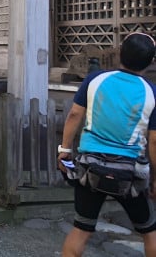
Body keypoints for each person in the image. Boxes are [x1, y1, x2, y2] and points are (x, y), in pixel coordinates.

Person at [59, 32, 156, 257]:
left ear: (120, 53)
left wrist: (64, 150)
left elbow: (74, 115)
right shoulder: (151, 92)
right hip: (129, 172)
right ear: (150, 62)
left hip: (90, 168)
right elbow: (153, 140)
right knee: (149, 232)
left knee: (81, 229)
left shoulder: (95, 80)